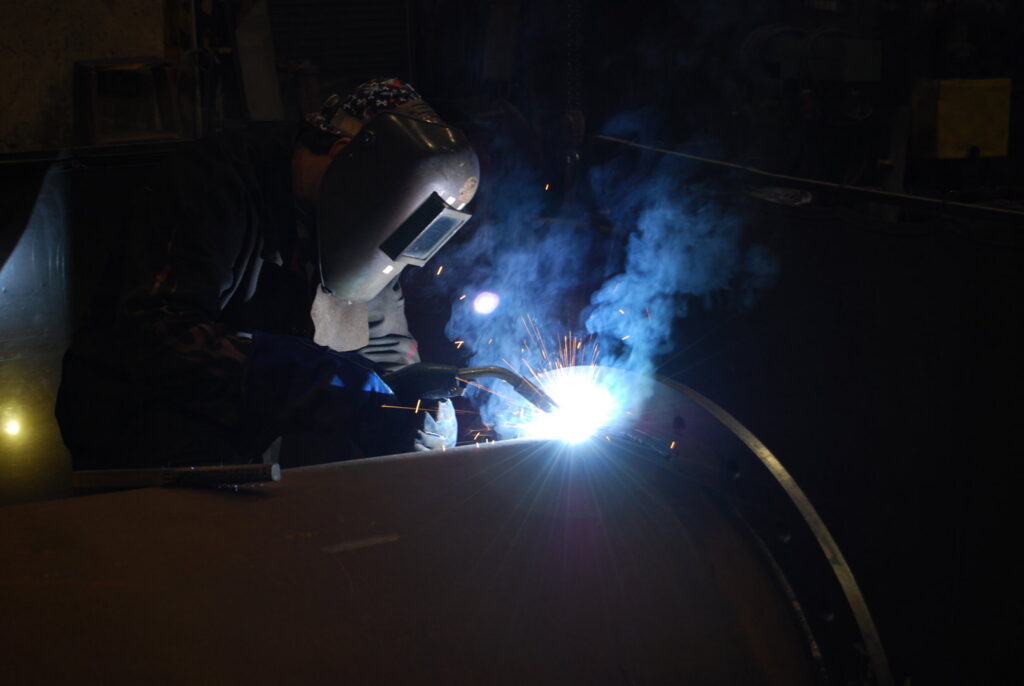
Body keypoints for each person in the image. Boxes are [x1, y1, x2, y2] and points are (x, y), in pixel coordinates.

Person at [55, 78, 479, 470]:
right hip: (138, 437)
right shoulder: (213, 182)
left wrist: (410, 399)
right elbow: (150, 334)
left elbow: (383, 341)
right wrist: (298, 370)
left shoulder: (365, 223)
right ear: (340, 156)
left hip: (246, 448)